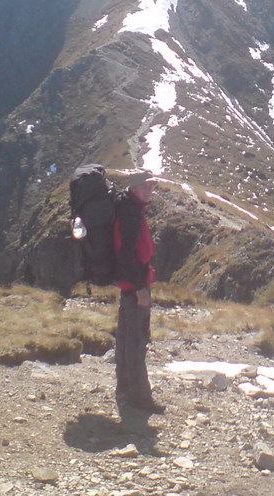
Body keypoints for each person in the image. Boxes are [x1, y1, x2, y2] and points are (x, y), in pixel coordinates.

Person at [113, 169, 165, 414]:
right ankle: (140, 399)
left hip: (129, 285)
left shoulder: (129, 209)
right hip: (135, 285)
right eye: (145, 186)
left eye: (151, 186)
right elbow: (126, 254)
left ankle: (124, 391)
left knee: (126, 339)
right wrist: (139, 288)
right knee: (136, 341)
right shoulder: (131, 214)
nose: (149, 190)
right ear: (133, 187)